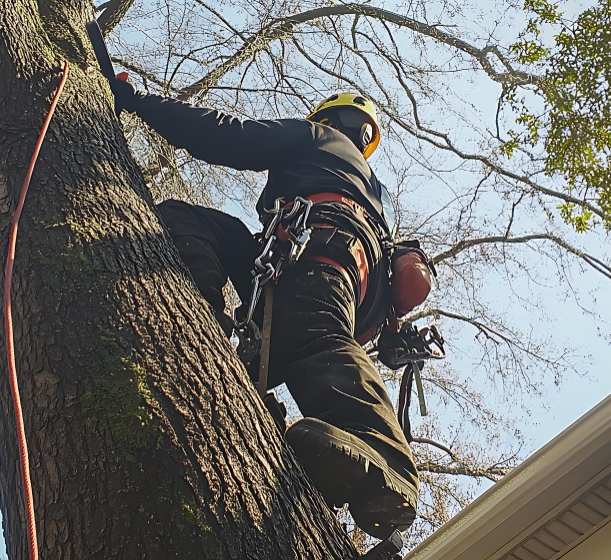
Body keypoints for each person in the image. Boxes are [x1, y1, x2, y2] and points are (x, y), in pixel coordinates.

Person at [110, 77, 420, 539]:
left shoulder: (320, 138)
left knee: (318, 338)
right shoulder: (380, 199)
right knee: (192, 222)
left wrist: (137, 102)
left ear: (330, 120)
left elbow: (229, 134)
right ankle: (215, 344)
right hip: (316, 281)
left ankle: (390, 465)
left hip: (317, 260)